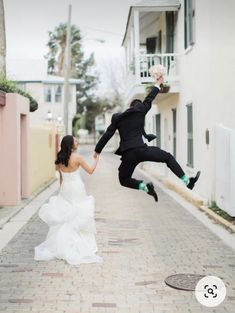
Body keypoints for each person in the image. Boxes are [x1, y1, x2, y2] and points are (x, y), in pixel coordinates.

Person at [93, 75, 200, 202]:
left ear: (129, 107)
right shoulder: (141, 110)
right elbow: (150, 98)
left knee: (123, 179)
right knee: (168, 157)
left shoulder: (117, 117)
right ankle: (187, 181)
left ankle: (144, 187)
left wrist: (97, 150)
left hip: (128, 155)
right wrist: (158, 83)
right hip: (142, 150)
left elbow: (108, 134)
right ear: (139, 106)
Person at [34, 135, 103, 266]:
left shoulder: (59, 159)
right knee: (78, 213)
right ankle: (79, 243)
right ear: (71, 145)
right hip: (77, 187)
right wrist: (96, 160)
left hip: (65, 188)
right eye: (75, 141)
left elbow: (61, 178)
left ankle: (62, 242)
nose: (77, 142)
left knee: (66, 214)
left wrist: (62, 190)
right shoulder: (78, 158)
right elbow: (91, 171)